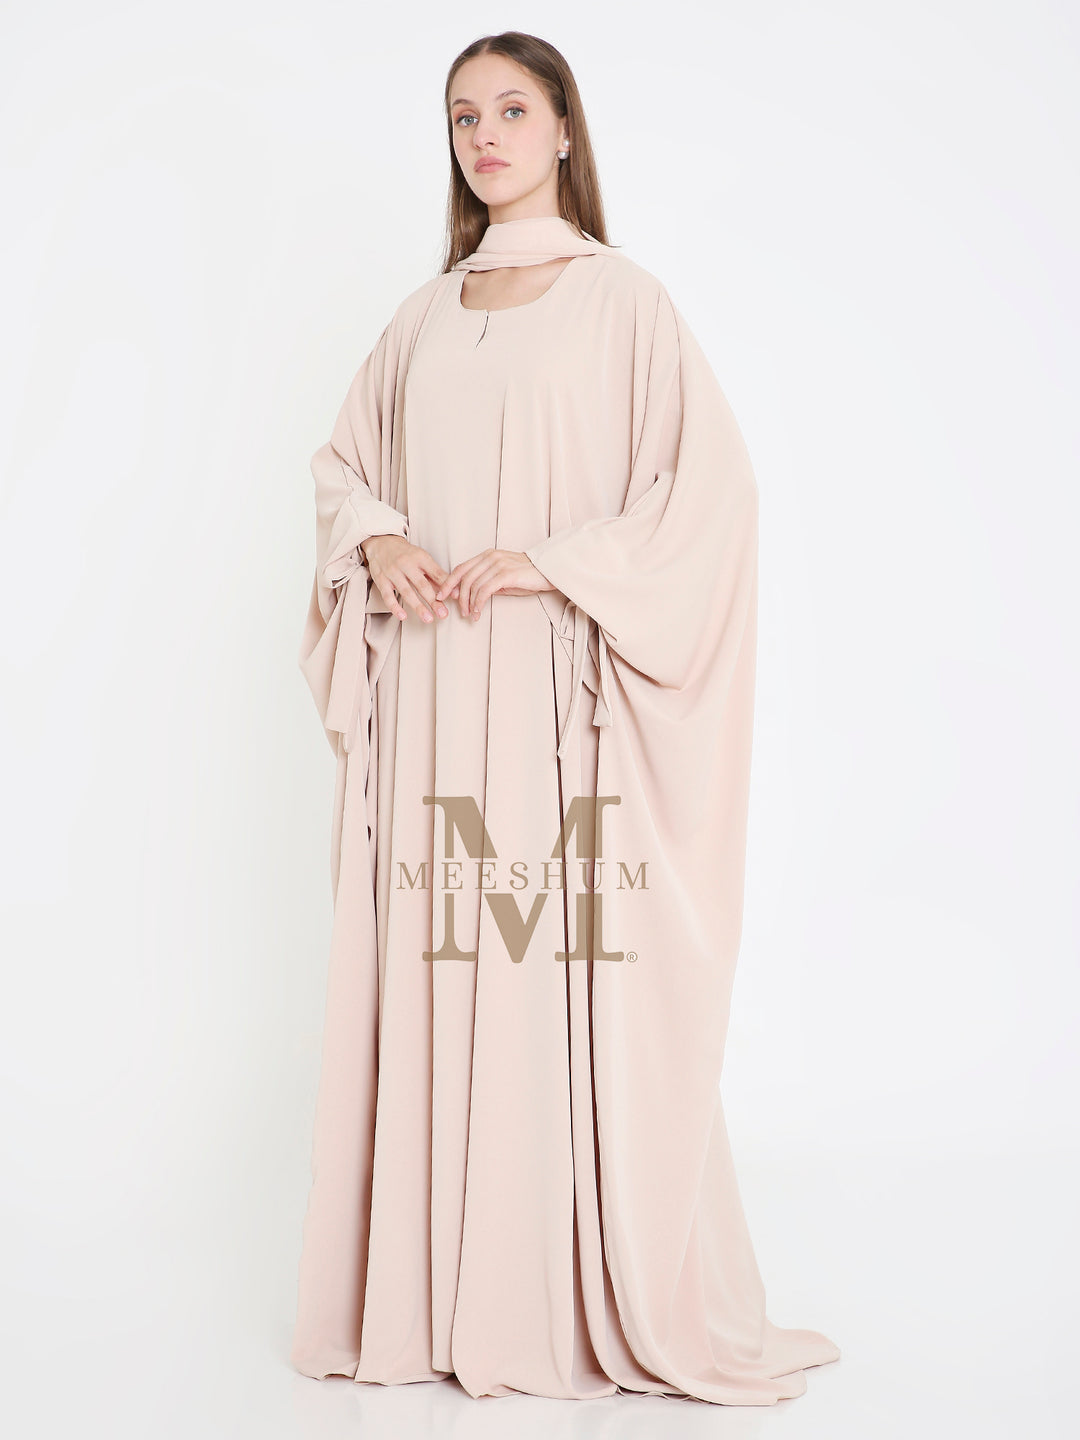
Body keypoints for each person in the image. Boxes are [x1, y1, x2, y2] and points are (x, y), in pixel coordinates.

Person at [291, 29, 841, 1406]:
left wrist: (552, 563)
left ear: (564, 130)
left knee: (549, 961)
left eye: (511, 110)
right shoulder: (422, 321)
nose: (484, 136)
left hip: (553, 705)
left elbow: (708, 500)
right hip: (432, 690)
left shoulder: (627, 307)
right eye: (462, 116)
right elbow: (343, 465)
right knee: (443, 953)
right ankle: (436, 1302)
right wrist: (379, 540)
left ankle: (556, 1293)